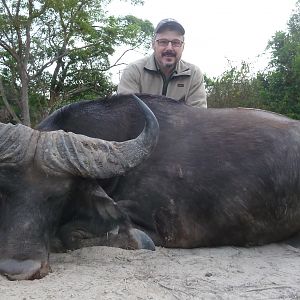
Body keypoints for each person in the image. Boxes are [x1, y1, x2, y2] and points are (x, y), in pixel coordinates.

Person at [117, 18, 207, 108]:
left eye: (176, 43)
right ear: (153, 45)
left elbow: (198, 117)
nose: (169, 48)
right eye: (163, 42)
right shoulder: (134, 71)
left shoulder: (194, 74)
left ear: (183, 47)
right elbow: (126, 114)